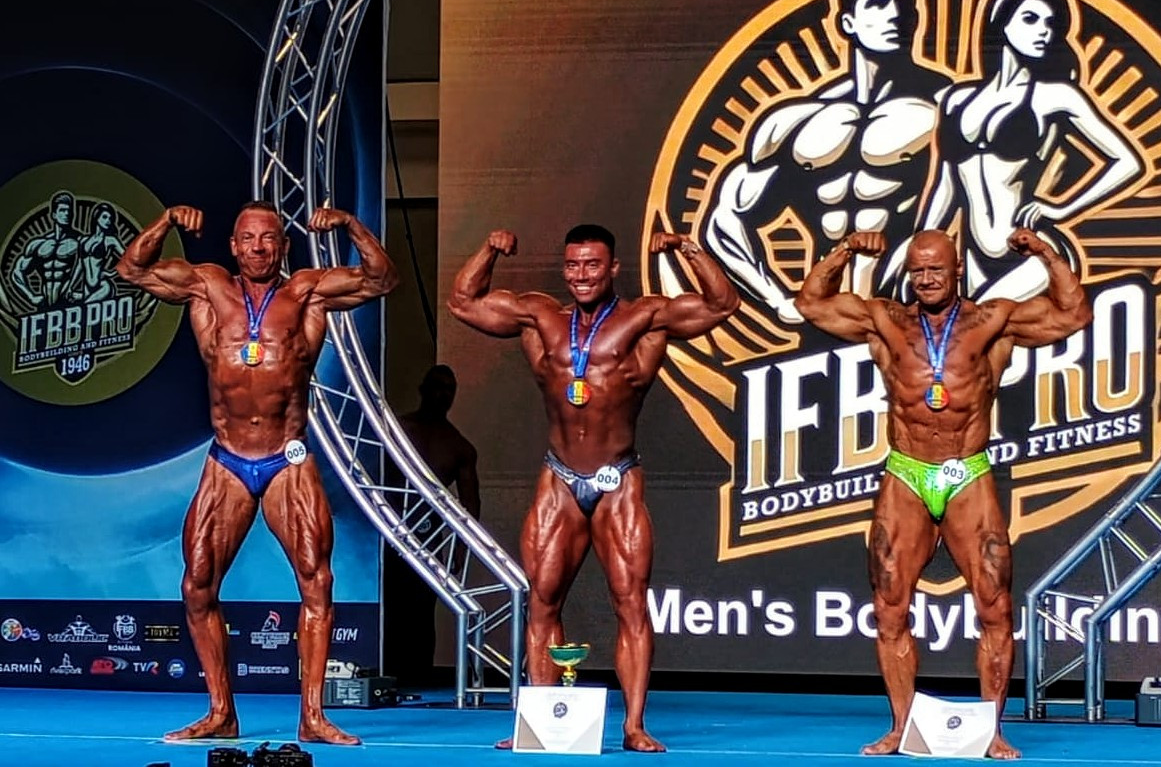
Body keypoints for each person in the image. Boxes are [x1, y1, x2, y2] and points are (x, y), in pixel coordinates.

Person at [793, 227, 1093, 759]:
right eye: (918, 270)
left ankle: (992, 730)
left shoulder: (992, 321)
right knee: (889, 607)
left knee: (995, 606)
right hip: (907, 473)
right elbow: (811, 303)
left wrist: (1045, 253)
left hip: (966, 474)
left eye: (936, 269)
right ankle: (901, 727)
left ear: (957, 270)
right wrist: (845, 250)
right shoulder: (887, 321)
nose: (927, 279)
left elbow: (1074, 313)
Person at [448, 224, 739, 752]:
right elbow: (463, 302)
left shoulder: (644, 318)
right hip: (558, 478)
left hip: (617, 479)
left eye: (592, 265)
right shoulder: (540, 316)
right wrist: (489, 249)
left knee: (630, 603)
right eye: (573, 265)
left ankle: (634, 726)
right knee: (542, 602)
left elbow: (721, 305)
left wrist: (687, 249)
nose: (581, 275)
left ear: (613, 269)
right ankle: (540, 724)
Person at [116, 200, 398, 745]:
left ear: (284, 246)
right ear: (233, 246)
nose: (258, 248)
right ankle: (221, 712)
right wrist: (166, 222)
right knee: (197, 584)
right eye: (248, 238)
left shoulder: (307, 292)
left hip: (286, 457)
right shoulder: (207, 287)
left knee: (317, 581)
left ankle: (312, 716)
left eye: (269, 238)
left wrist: (350, 225)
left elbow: (381, 279)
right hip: (227, 459)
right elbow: (132, 269)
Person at [703, 0, 950, 320]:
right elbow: (727, 218)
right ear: (847, 22)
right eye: (877, 4)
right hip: (826, 316)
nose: (893, 16)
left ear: (916, 18)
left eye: (902, 5)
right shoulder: (800, 121)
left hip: (908, 316)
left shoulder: (950, 108)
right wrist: (777, 299)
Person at [922, 0, 1143, 303]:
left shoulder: (1054, 96)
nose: (1043, 31)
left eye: (1049, 24)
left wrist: (1063, 208)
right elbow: (946, 186)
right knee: (970, 333)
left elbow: (1127, 162)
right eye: (1030, 19)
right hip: (973, 257)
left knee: (977, 322)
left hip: (1031, 251)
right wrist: (921, 248)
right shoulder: (958, 99)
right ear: (1002, 22)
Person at [382, 363, 480, 685]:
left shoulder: (460, 447)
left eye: (449, 390)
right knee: (389, 608)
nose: (442, 394)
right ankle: (387, 674)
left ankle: (419, 676)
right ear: (423, 389)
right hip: (386, 530)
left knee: (422, 609)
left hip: (429, 537)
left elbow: (470, 504)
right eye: (437, 386)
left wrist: (462, 549)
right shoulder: (395, 429)